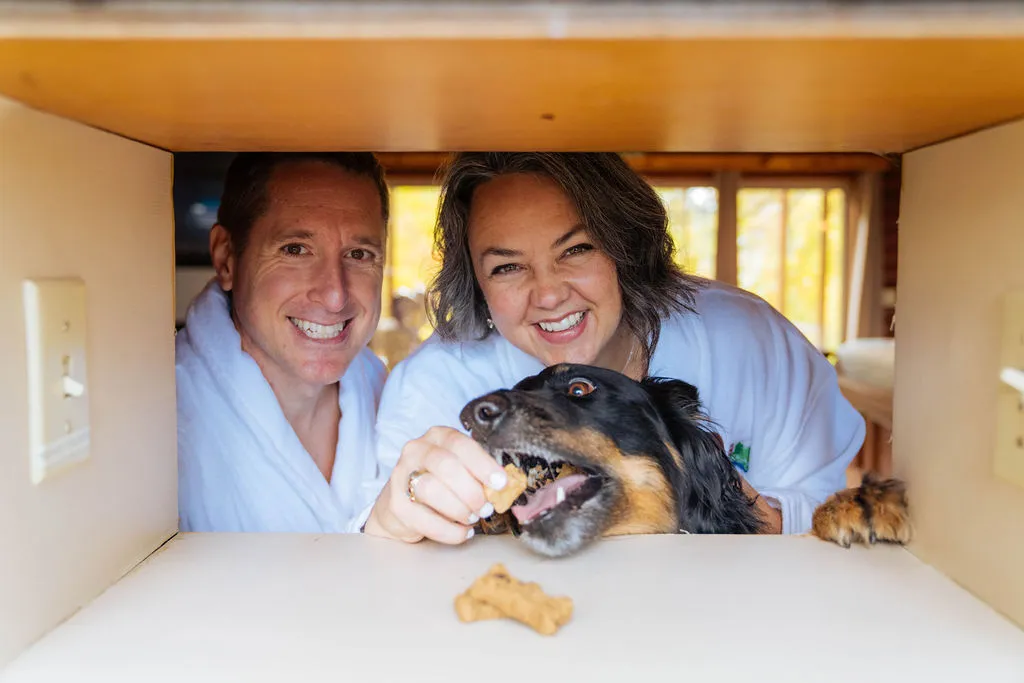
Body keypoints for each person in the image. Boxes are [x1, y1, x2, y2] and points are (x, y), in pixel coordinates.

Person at [362, 152, 865, 545]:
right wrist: (404, 514)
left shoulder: (750, 341)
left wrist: (716, 498)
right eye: (507, 267)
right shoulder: (436, 385)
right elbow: (392, 553)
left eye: (576, 249)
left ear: (626, 248)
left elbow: (826, 515)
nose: (549, 294)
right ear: (475, 282)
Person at [176, 152, 391, 533]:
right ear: (226, 258)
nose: (335, 296)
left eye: (359, 254)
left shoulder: (388, 393)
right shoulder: (161, 414)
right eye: (295, 249)